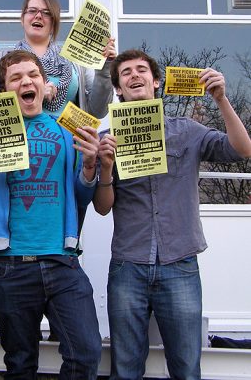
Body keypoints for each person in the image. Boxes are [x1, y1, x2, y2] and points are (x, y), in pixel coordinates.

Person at [93, 49, 251, 380]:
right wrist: (105, 167)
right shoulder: (106, 139)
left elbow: (242, 150)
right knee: (124, 370)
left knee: (186, 369)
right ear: (119, 89)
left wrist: (221, 99)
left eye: (141, 70)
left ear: (157, 82)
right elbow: (102, 206)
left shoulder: (188, 131)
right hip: (128, 267)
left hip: (179, 264)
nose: (134, 75)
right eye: (125, 73)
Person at [0, 50, 102, 379]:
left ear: (44, 84)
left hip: (63, 261)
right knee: (21, 363)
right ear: (5, 90)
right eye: (15, 77)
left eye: (33, 76)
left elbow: (83, 196)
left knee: (86, 352)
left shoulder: (70, 129)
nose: (26, 81)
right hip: (9, 265)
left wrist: (92, 165)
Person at [0, 0, 116, 118]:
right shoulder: (0, 61)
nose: (39, 16)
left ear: (54, 23)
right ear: (22, 19)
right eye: (32, 11)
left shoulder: (75, 60)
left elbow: (98, 111)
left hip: (70, 141)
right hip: (28, 140)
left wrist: (104, 68)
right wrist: (37, 95)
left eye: (46, 13)